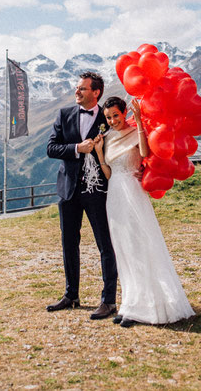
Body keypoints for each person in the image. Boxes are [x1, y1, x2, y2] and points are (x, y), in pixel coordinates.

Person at [93, 96, 193, 327]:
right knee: (124, 251)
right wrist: (99, 152)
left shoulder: (136, 132)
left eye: (116, 115)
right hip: (115, 195)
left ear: (124, 112)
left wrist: (138, 120)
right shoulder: (107, 137)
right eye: (108, 118)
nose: (112, 121)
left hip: (133, 192)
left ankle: (146, 307)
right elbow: (108, 174)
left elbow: (146, 153)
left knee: (140, 247)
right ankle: (129, 304)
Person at [45, 72, 118, 320]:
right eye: (77, 88)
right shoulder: (64, 115)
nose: (77, 92)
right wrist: (77, 148)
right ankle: (71, 295)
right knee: (69, 243)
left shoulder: (107, 118)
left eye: (82, 89)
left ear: (95, 92)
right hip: (69, 189)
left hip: (98, 191)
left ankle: (108, 301)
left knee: (105, 245)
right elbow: (51, 148)